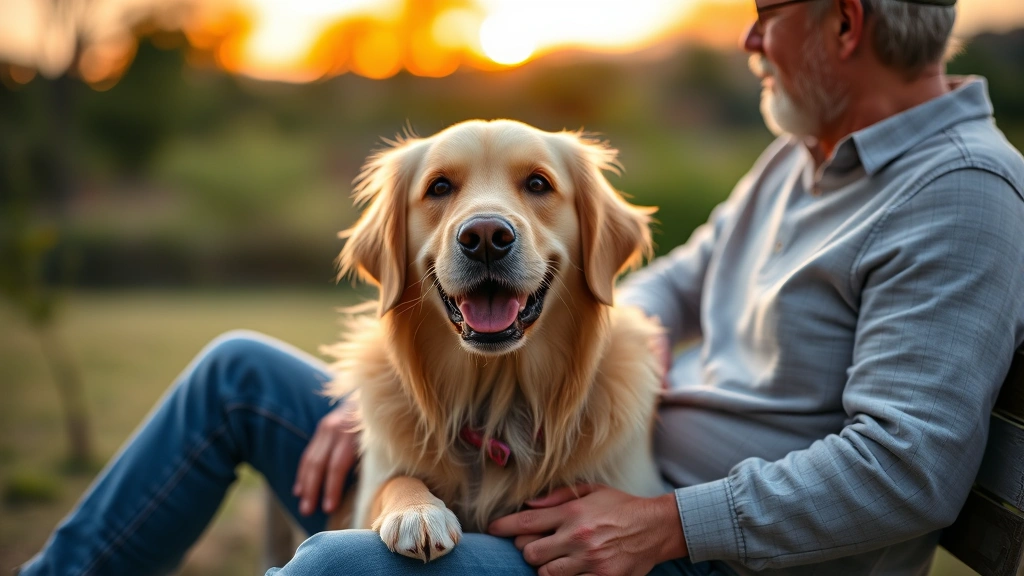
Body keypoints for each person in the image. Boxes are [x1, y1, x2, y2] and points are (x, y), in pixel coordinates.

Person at [19, 0, 1024, 574]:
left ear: (843, 24)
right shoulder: (801, 161)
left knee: (337, 569)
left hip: (670, 555)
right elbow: (657, 283)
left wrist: (665, 524)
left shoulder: (957, 196)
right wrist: (394, 413)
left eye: (764, 16)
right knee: (236, 374)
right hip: (552, 470)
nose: (749, 40)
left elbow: (907, 466)